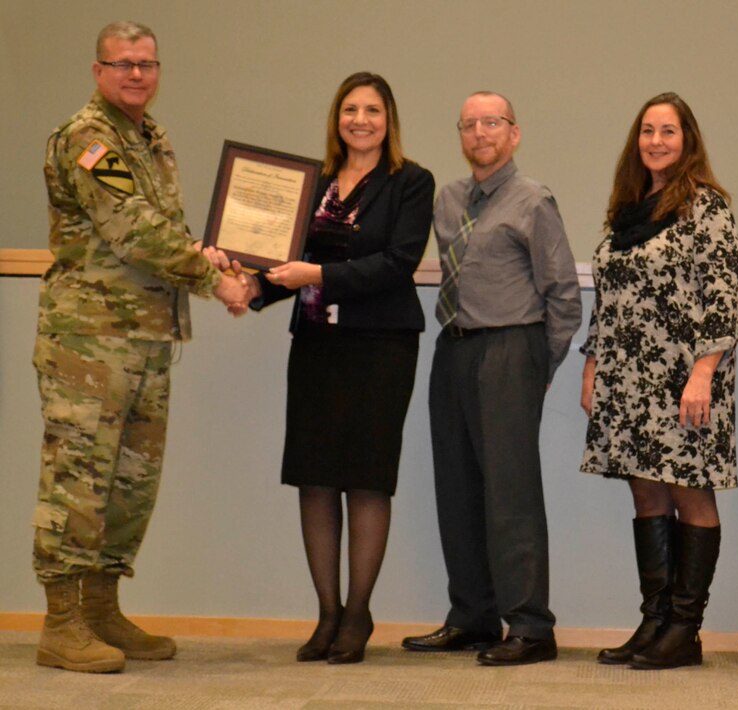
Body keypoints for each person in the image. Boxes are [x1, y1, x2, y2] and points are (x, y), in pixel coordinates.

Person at [32, 20, 248, 673]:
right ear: (98, 71)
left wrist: (202, 254)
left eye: (147, 64)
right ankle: (61, 624)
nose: (136, 74)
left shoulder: (149, 138)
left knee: (130, 484)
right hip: (90, 341)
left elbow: (163, 231)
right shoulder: (87, 141)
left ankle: (101, 609)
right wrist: (216, 278)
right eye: (123, 64)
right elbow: (134, 234)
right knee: (78, 480)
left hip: (147, 337)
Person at [208, 72, 435, 665]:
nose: (360, 120)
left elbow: (397, 262)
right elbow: (291, 262)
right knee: (314, 478)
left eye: (373, 110)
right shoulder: (315, 184)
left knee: (364, 477)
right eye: (350, 110)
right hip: (315, 345)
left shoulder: (411, 182)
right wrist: (248, 289)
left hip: (380, 347)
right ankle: (327, 612)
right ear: (337, 118)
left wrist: (317, 277)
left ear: (390, 119)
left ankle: (358, 614)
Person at [401, 91, 581, 666]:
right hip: (452, 350)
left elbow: (564, 297)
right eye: (469, 124)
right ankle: (473, 617)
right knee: (456, 488)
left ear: (514, 133)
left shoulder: (533, 200)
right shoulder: (449, 199)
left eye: (492, 123)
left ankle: (531, 626)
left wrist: (538, 367)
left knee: (511, 493)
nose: (480, 133)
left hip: (510, 348)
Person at [579, 93, 738, 670]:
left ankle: (685, 628)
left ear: (687, 140)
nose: (655, 141)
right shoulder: (627, 208)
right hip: (626, 377)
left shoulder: (706, 207)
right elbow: (609, 298)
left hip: (684, 378)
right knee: (645, 489)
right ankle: (655, 619)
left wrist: (704, 373)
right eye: (647, 131)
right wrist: (593, 363)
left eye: (668, 131)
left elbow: (722, 298)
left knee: (689, 490)